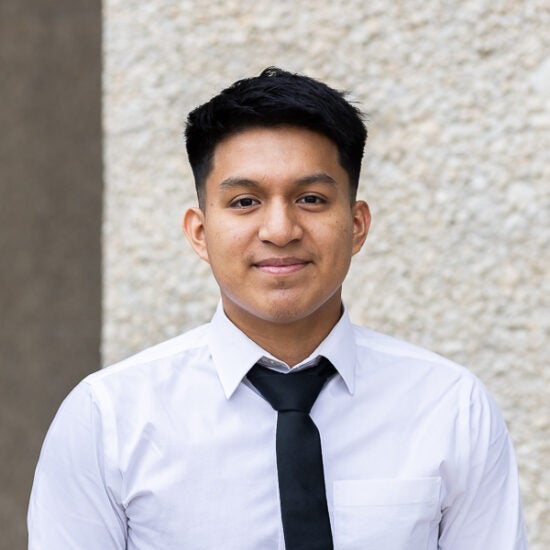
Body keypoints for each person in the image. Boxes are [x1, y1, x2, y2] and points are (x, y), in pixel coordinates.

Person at [28, 67, 527, 549]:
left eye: (310, 198)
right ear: (200, 233)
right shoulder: (109, 418)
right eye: (244, 202)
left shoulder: (450, 406)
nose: (280, 230)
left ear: (356, 225)